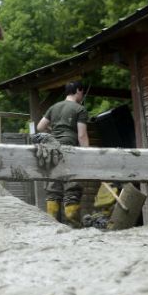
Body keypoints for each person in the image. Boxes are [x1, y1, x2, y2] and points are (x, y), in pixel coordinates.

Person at [35, 81, 89, 227]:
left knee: (53, 190)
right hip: (70, 152)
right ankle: (73, 227)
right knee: (72, 189)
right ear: (78, 90)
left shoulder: (54, 107)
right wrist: (88, 156)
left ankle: (53, 228)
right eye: (82, 92)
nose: (82, 95)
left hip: (52, 151)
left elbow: (40, 127)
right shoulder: (80, 109)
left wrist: (52, 134)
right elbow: (82, 135)